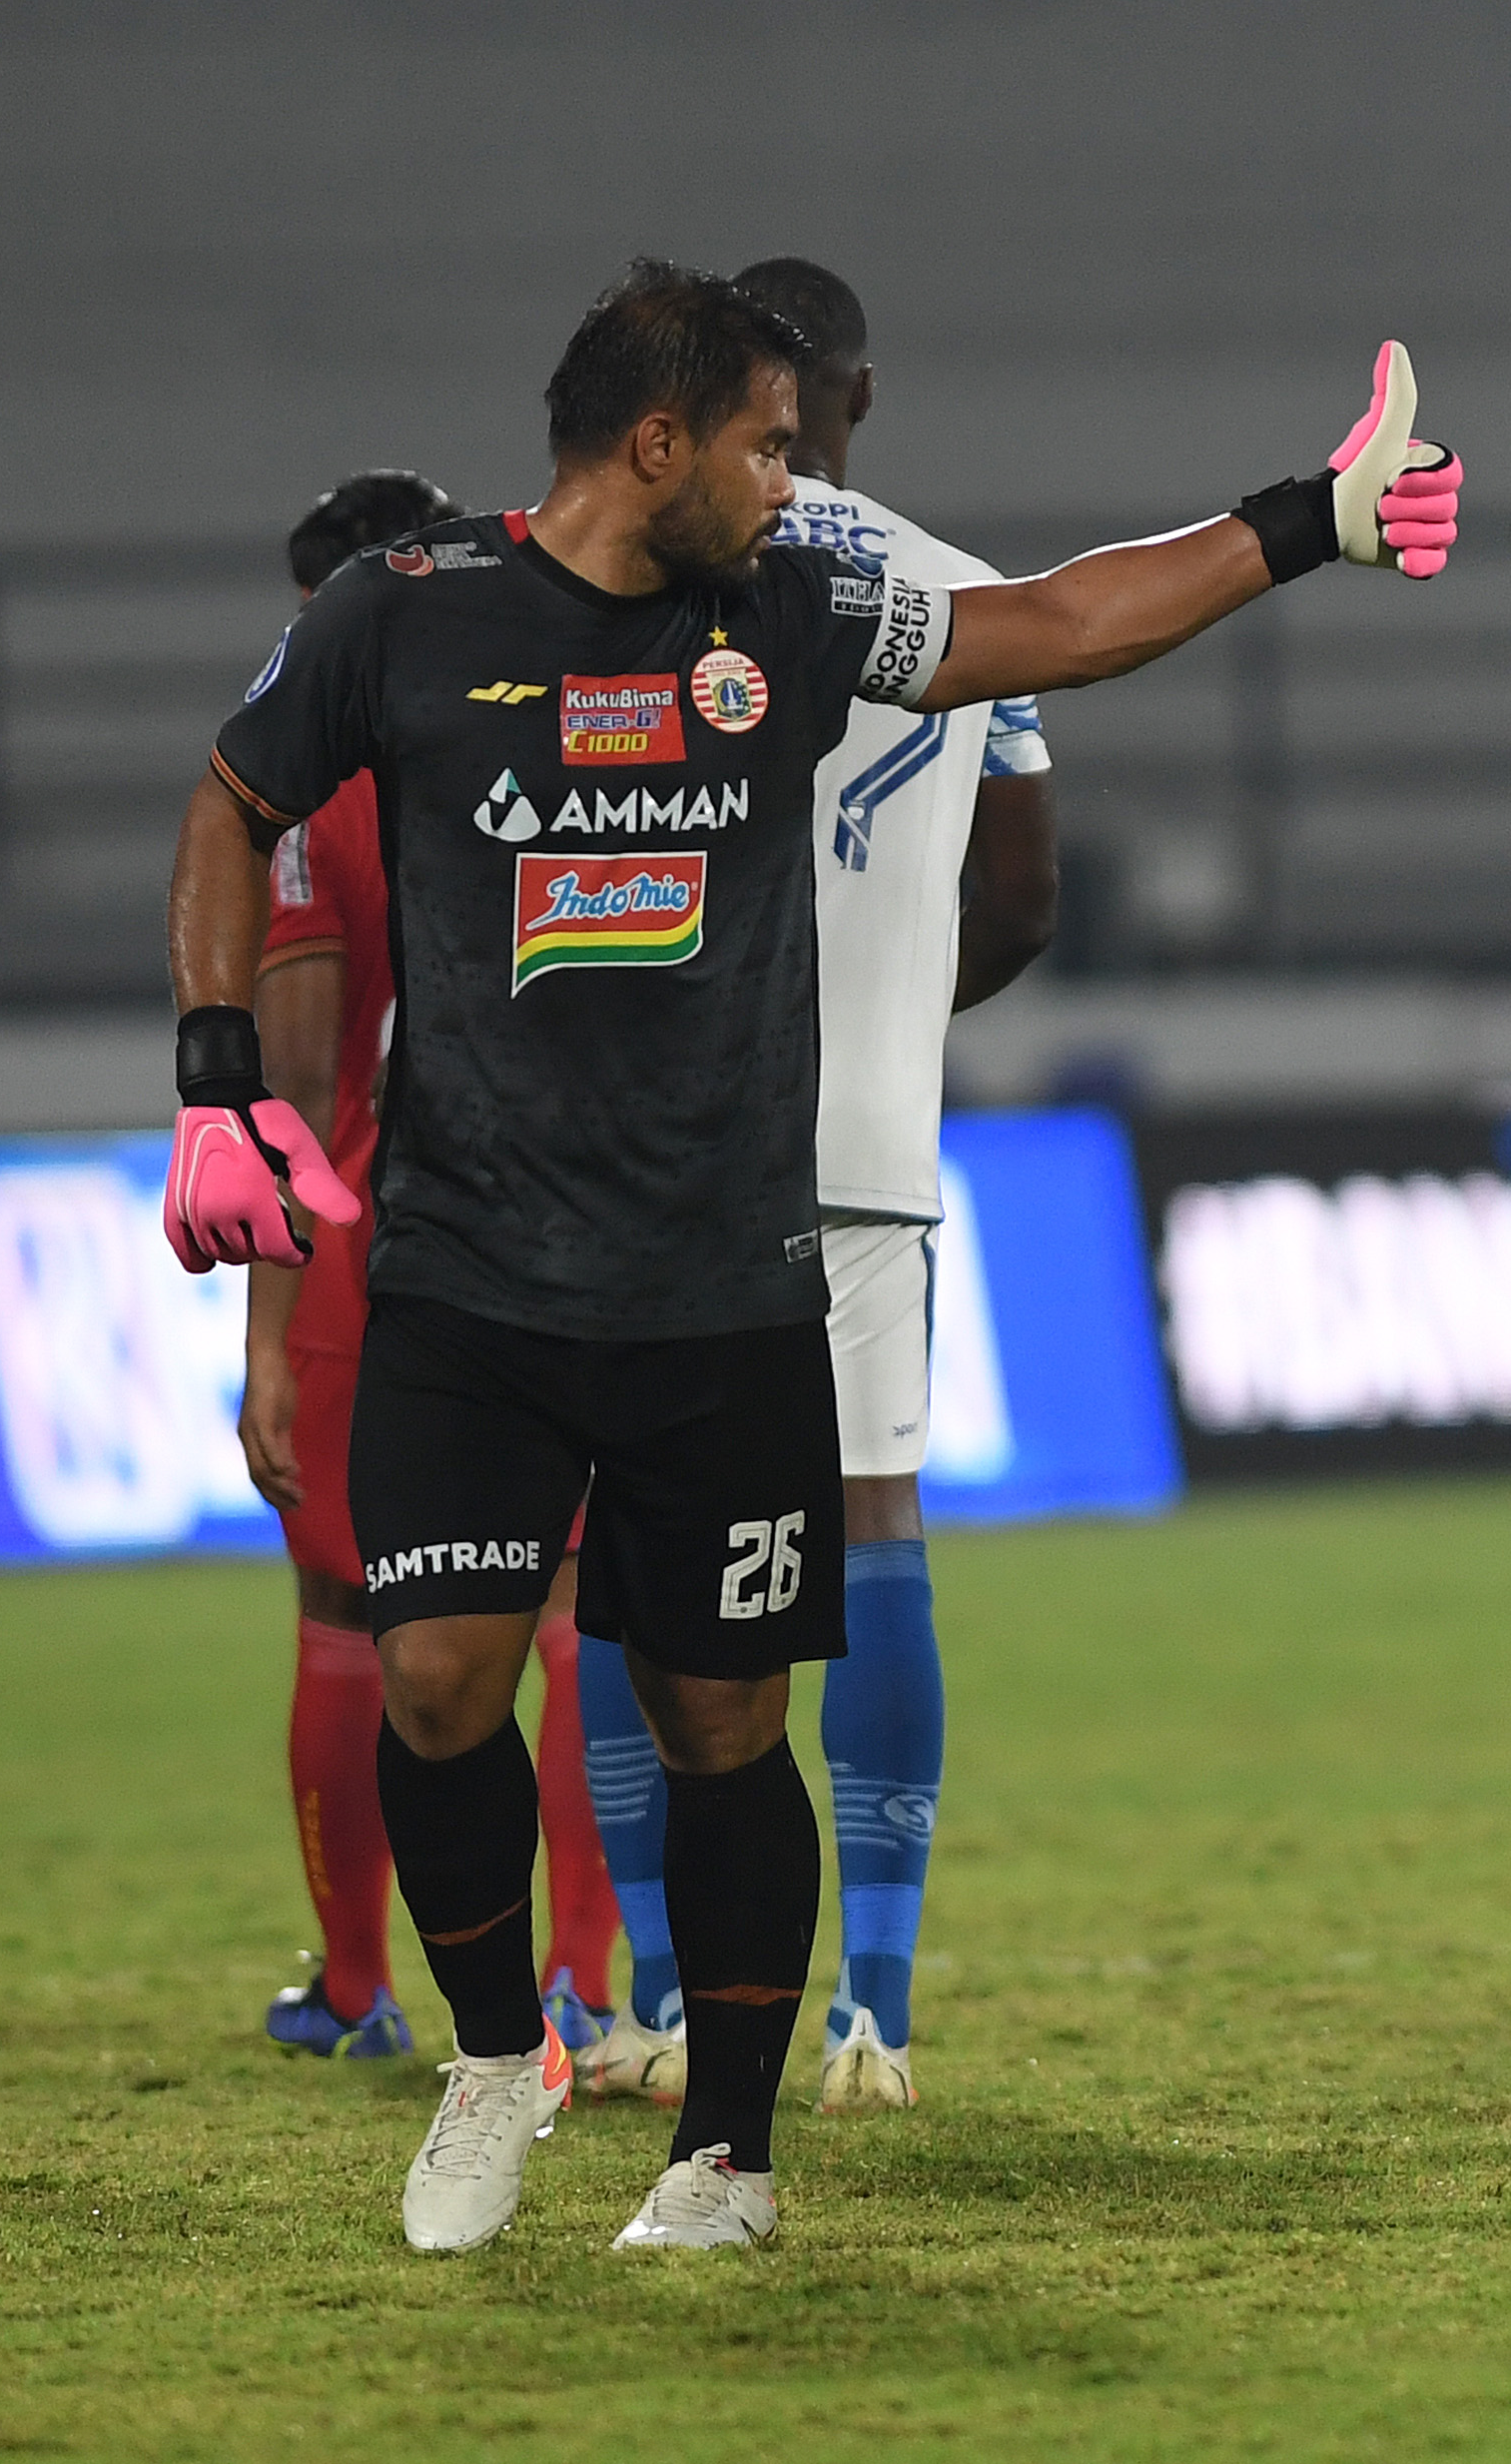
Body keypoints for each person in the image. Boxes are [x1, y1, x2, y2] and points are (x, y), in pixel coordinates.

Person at [165, 259, 1460, 2253]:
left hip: (723, 1280)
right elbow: (233, 799)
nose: (795, 481)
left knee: (721, 1721)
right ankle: (496, 2049)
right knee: (434, 1677)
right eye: (766, 446)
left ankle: (730, 2158)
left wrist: (1311, 516)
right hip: (468, 1273)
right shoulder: (404, 616)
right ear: (652, 441)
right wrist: (213, 1075)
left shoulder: (794, 606)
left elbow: (1068, 621)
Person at [561, 258, 1062, 2120]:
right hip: (865, 1150)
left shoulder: (668, 572)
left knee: (634, 1559)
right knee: (872, 1530)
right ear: (865, 387)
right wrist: (886, 1025)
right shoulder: (962, 592)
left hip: (667, 1141)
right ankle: (880, 2013)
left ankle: (665, 1992)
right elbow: (1021, 900)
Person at [243, 469, 621, 2064]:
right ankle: (578, 1986)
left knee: (353, 1618)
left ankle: (353, 1991)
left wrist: (269, 1341)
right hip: (570, 1225)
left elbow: (297, 1084)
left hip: (377, 1252)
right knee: (569, 1611)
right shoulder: (546, 727)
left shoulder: (309, 799)